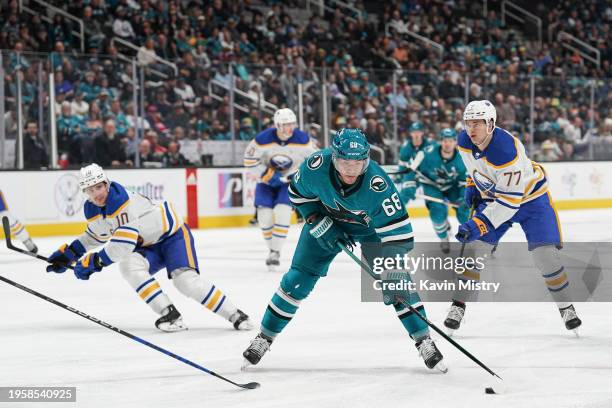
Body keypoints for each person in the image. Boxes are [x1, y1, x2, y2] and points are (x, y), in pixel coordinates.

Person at [242, 129, 446, 372]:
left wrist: (391, 271)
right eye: (345, 162)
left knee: (398, 282)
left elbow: (400, 236)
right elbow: (297, 194)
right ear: (334, 158)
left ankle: (424, 340)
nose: (351, 169)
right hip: (327, 221)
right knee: (296, 281)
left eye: (358, 162)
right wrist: (314, 218)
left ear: (366, 160)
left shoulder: (378, 186)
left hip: (371, 232)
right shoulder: (315, 167)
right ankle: (264, 337)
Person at [46, 164, 252, 332]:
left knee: (186, 282)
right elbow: (95, 236)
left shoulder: (120, 200)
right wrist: (70, 254)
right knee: (129, 266)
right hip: (148, 245)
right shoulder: (93, 208)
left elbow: (122, 246)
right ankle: (169, 313)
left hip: (172, 236)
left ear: (106, 184)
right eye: (90, 190)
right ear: (85, 192)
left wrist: (95, 262)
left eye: (98, 187)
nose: (96, 194)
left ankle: (235, 315)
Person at [447, 100, 582, 334]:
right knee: (474, 251)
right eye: (468, 123)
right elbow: (473, 167)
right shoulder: (464, 140)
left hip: (531, 200)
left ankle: (565, 306)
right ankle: (458, 305)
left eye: (477, 123)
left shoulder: (506, 150)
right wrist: (472, 183)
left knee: (545, 256)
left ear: (490, 124)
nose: (471, 129)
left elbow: (508, 204)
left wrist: (478, 224)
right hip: (495, 198)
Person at [243, 108, 315, 271]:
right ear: (277, 125)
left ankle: (275, 252)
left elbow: (314, 160)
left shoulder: (303, 139)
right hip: (266, 182)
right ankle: (272, 249)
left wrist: (298, 174)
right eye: (285, 125)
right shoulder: (262, 139)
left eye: (291, 124)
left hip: (287, 184)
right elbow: (249, 161)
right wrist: (268, 174)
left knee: (283, 212)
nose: (289, 128)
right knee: (264, 217)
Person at [404, 128, 469, 253]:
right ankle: (444, 238)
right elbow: (411, 170)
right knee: (437, 214)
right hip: (431, 185)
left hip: (453, 186)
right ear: (440, 141)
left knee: (464, 214)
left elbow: (465, 183)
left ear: (455, 142)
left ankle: (471, 238)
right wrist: (410, 185)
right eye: (445, 140)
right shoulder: (426, 153)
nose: (447, 143)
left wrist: (463, 197)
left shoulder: (463, 158)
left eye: (450, 141)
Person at [398, 122, 437, 204]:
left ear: (422, 133)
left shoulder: (431, 144)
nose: (416, 134)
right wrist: (402, 177)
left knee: (436, 198)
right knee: (405, 193)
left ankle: (442, 215)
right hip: (412, 174)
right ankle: (397, 214)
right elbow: (402, 166)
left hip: (428, 174)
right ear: (410, 133)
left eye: (418, 132)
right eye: (414, 132)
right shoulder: (405, 148)